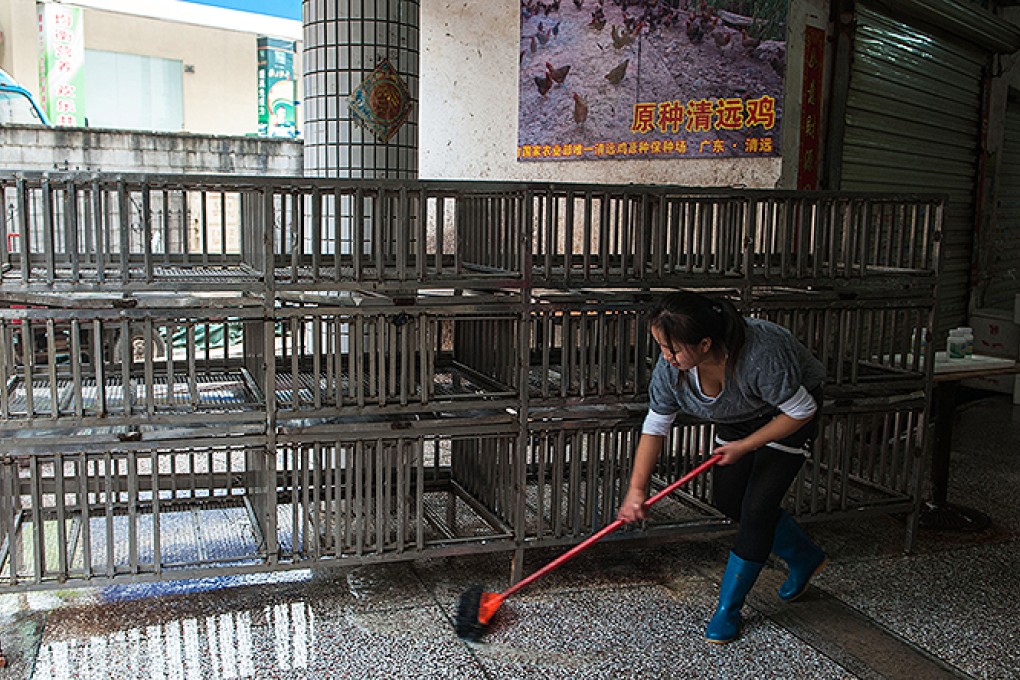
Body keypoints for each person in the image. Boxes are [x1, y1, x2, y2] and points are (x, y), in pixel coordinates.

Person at [617, 290, 828, 644]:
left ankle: (729, 609)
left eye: (673, 349)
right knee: (729, 501)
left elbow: (801, 410)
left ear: (704, 343)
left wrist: (745, 446)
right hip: (740, 413)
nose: (666, 357)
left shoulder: (761, 355)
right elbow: (655, 426)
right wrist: (637, 490)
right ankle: (805, 556)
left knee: (757, 508)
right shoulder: (672, 369)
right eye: (662, 347)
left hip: (787, 413)